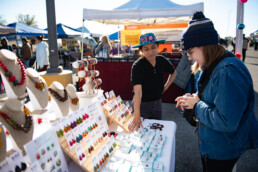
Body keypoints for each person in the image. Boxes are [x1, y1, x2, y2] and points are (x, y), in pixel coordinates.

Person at [175, 11, 258, 172]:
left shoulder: (227, 71)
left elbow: (226, 120)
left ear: (204, 45)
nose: (189, 58)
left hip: (223, 149)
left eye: (190, 52)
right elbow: (212, 98)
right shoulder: (212, 65)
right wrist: (192, 98)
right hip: (215, 145)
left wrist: (196, 105)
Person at [129, 32, 177, 132]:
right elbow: (137, 92)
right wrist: (136, 114)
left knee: (156, 132)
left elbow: (173, 73)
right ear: (141, 51)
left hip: (158, 103)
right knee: (141, 133)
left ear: (158, 47)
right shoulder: (137, 66)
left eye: (153, 47)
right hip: (142, 105)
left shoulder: (161, 60)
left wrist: (166, 86)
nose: (151, 52)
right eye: (146, 49)